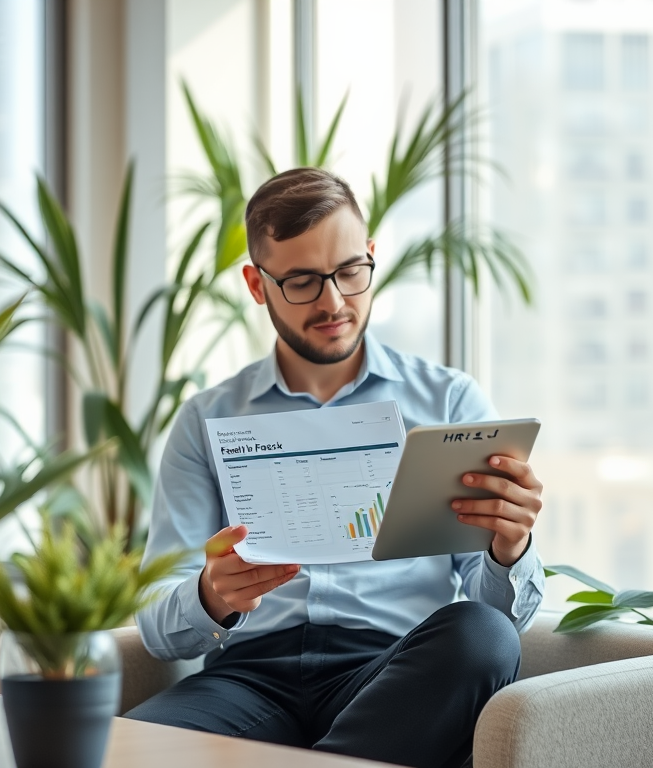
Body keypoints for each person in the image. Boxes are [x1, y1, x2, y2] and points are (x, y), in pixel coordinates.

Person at [125, 167, 545, 768]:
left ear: (371, 256)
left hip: (391, 674)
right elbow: (157, 626)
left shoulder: (449, 403)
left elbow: (501, 620)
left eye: (351, 271)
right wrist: (210, 593)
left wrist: (510, 548)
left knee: (480, 635)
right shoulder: (205, 420)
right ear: (256, 283)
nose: (334, 302)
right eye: (300, 281)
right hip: (249, 678)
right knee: (127, 751)